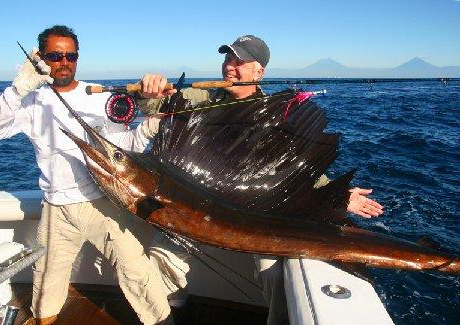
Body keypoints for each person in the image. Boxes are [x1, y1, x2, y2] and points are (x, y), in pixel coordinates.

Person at [141, 35, 384, 324]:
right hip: (196, 205)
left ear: (259, 72)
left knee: (274, 271)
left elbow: (297, 166)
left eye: (239, 61)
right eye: (227, 59)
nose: (230, 67)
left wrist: (336, 195)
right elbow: (153, 107)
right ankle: (175, 308)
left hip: (250, 212)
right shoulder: (201, 99)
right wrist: (147, 94)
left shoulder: (276, 116)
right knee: (158, 257)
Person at [0, 25, 176, 325]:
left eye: (71, 56)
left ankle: (162, 321)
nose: (64, 62)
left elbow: (125, 148)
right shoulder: (30, 101)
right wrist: (19, 87)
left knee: (136, 270)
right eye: (55, 55)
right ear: (40, 59)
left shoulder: (98, 96)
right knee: (46, 283)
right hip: (55, 209)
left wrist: (151, 122)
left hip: (102, 203)